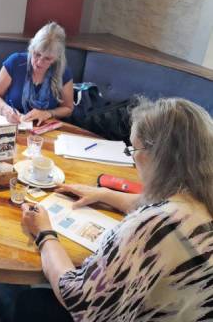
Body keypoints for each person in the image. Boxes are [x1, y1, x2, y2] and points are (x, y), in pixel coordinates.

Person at [17, 97, 213, 322]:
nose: (133, 156)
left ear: (156, 157)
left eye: (133, 149)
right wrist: (102, 194)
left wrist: (44, 234)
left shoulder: (156, 226)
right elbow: (147, 201)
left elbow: (78, 299)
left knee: (30, 303)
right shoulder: (199, 198)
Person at [0, 22, 74, 125]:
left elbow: (68, 108)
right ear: (31, 47)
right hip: (12, 126)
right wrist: (5, 110)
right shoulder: (16, 62)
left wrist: (48, 113)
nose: (39, 62)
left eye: (47, 58)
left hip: (44, 131)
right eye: (37, 54)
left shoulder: (62, 71)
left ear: (56, 58)